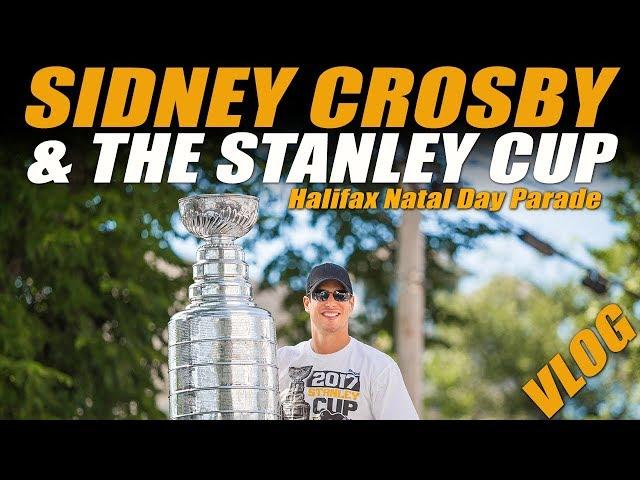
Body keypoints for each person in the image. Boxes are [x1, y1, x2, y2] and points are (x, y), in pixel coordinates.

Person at [277, 263, 419, 420]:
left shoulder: (379, 367)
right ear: (307, 303)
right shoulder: (281, 361)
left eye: (340, 294)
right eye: (321, 294)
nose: (331, 302)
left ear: (351, 303)